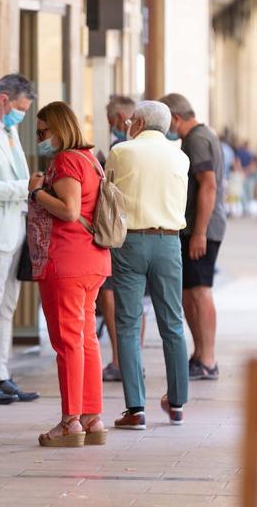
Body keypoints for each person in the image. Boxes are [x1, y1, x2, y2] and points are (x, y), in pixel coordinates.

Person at [27, 101, 111, 447]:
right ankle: (92, 418)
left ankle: (70, 421)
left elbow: (70, 209)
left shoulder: (66, 160)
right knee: (87, 338)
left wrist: (36, 192)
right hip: (92, 260)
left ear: (60, 129)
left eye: (43, 131)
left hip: (66, 263)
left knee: (67, 343)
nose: (40, 137)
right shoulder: (90, 159)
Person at [105, 100, 191, 430]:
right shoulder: (180, 156)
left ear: (138, 122)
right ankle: (178, 402)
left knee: (127, 323)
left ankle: (136, 409)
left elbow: (108, 190)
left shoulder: (122, 151)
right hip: (169, 242)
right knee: (172, 322)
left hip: (130, 241)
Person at [0, 73, 40, 405]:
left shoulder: (9, 129)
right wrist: (25, 188)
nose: (22, 116)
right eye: (19, 108)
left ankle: (1, 373)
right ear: (3, 99)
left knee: (8, 305)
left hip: (15, 226)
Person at [161, 93, 226, 381]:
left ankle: (208, 359)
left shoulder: (197, 139)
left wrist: (199, 232)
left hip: (203, 227)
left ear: (175, 117)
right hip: (195, 226)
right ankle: (200, 355)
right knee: (190, 292)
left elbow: (208, 186)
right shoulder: (199, 137)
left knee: (200, 291)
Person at [99, 96, 140, 382]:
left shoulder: (121, 149)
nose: (111, 126)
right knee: (138, 301)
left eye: (111, 120)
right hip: (144, 230)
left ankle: (119, 359)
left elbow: (109, 187)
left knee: (112, 295)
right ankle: (131, 359)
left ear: (122, 117)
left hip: (119, 229)